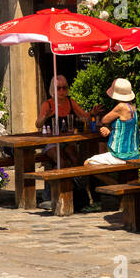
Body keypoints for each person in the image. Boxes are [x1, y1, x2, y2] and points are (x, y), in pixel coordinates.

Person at [35, 75, 92, 210]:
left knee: (75, 159)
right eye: (58, 88)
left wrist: (92, 113)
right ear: (53, 89)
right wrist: (45, 116)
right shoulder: (48, 104)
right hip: (51, 142)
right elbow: (38, 124)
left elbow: (84, 116)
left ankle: (73, 192)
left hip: (67, 141)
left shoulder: (71, 102)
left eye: (64, 88)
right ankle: (51, 195)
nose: (62, 91)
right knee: (61, 161)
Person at [85, 78, 140, 166]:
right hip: (134, 155)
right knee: (103, 151)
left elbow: (104, 119)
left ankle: (109, 177)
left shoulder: (121, 107)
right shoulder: (132, 107)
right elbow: (125, 128)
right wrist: (110, 129)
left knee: (87, 163)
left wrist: (96, 113)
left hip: (120, 155)